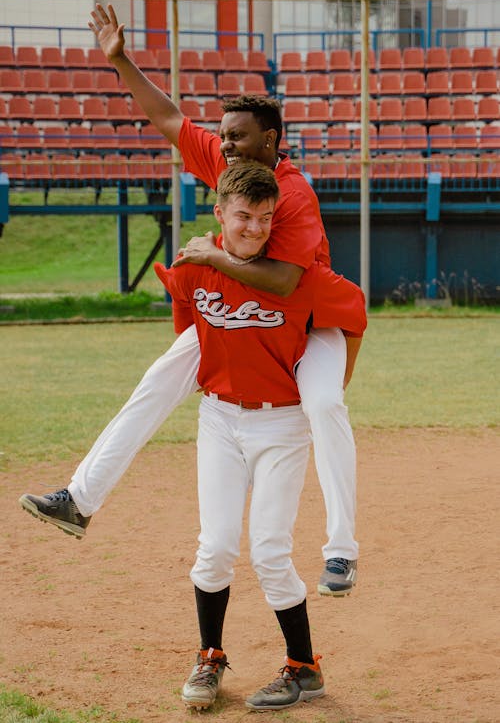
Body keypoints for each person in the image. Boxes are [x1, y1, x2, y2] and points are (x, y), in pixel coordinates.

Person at [19, 3, 363, 597]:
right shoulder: (228, 165)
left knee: (325, 404)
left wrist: (206, 255)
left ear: (271, 141)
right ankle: (79, 499)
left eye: (239, 137)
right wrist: (120, 60)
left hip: (307, 321)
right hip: (240, 315)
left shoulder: (294, 193)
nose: (225, 146)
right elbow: (168, 117)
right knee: (158, 380)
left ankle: (341, 549)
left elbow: (283, 281)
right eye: (224, 136)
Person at [151, 161, 365, 710]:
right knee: (216, 546)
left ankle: (304, 667)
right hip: (220, 420)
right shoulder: (197, 264)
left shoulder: (297, 278)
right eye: (243, 215)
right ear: (220, 214)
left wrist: (333, 385)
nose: (253, 227)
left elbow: (355, 312)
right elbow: (186, 312)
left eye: (265, 218)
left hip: (281, 423)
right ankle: (209, 657)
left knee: (270, 548)